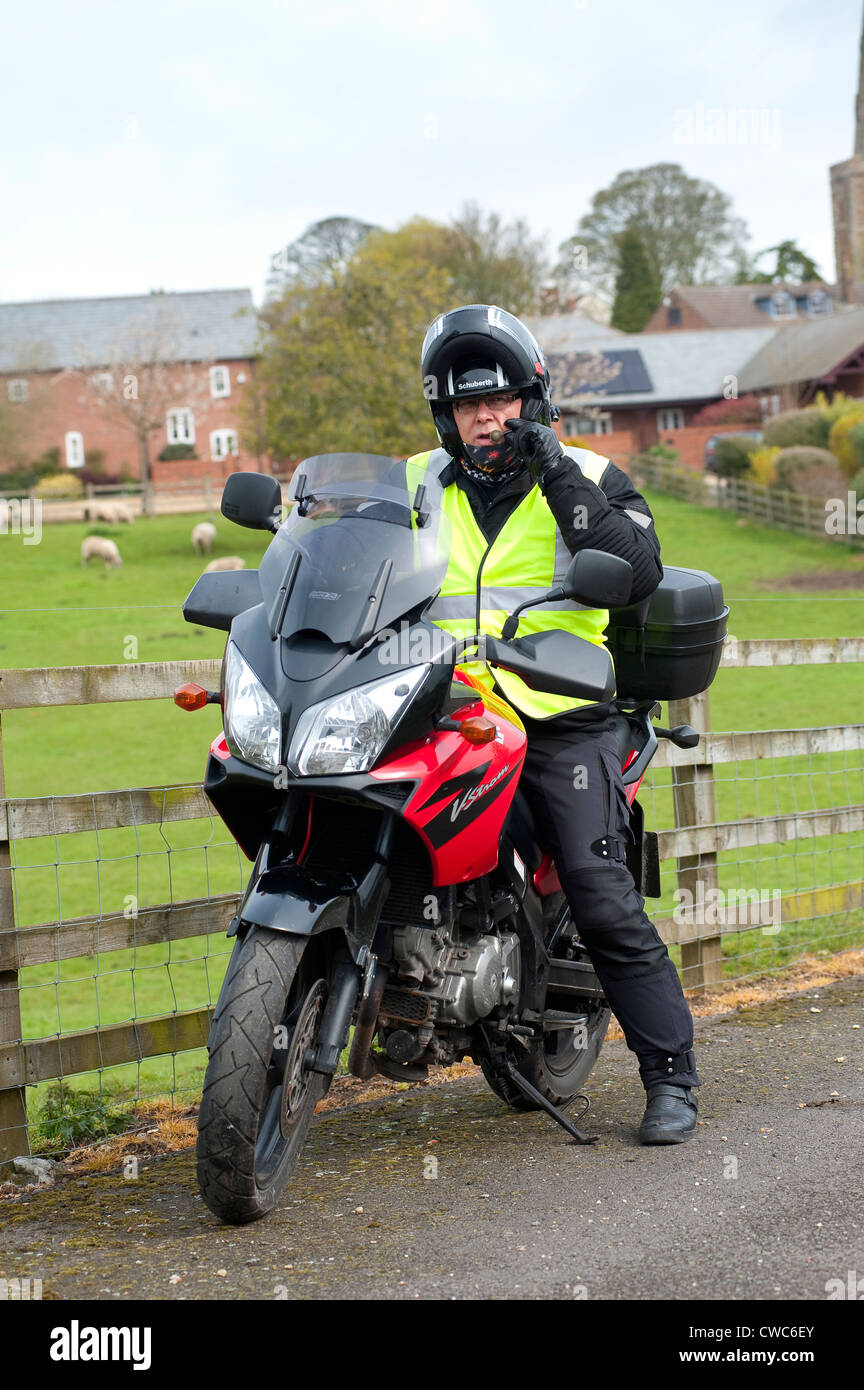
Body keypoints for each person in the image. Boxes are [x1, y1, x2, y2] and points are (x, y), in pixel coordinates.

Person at [407, 304, 700, 1144]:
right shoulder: (416, 481)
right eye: (468, 405)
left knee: (600, 892)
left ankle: (671, 1076)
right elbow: (334, 542)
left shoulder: (591, 474)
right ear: (446, 415)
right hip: (445, 708)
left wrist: (554, 471)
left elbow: (636, 571)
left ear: (531, 400)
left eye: (500, 400)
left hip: (558, 713)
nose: (485, 417)